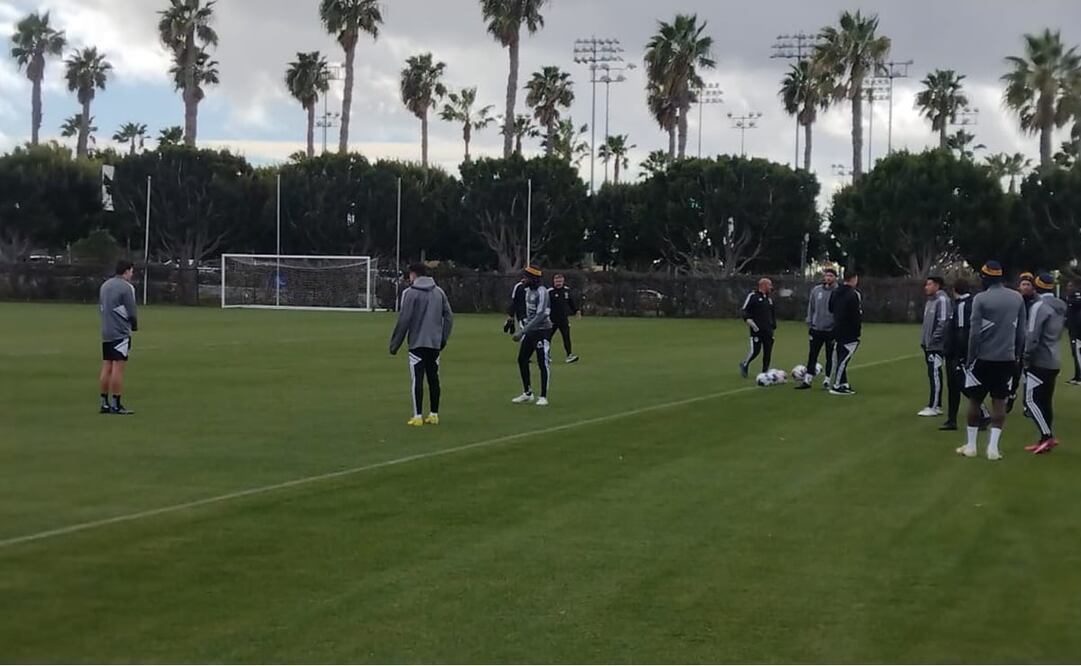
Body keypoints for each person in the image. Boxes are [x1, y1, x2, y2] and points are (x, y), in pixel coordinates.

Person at [957, 261, 1026, 461]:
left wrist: (970, 357)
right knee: (999, 401)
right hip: (1007, 358)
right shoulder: (1017, 298)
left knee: (975, 400)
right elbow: (1021, 332)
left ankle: (971, 445)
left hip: (983, 358)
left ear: (986, 278)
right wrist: (1017, 355)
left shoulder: (981, 299)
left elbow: (974, 333)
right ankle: (993, 448)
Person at [389, 263, 454, 427]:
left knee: (417, 379)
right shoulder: (439, 292)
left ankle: (417, 415)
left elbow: (404, 320)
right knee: (434, 378)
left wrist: (395, 344)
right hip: (434, 343)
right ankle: (434, 414)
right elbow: (449, 317)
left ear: (413, 274)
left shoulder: (410, 294)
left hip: (417, 343)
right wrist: (443, 338)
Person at [1022, 273, 1067, 454]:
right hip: (1054, 357)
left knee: (1030, 400)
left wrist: (1026, 356)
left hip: (1039, 359)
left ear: (1037, 287)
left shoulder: (1038, 306)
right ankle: (1044, 438)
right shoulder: (1061, 306)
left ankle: (1047, 436)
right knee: (1045, 401)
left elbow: (1032, 335)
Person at [99, 260, 139, 415]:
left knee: (106, 365)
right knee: (118, 367)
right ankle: (116, 403)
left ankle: (104, 402)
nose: (132, 274)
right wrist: (134, 326)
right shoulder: (126, 287)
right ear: (126, 271)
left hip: (106, 331)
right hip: (120, 332)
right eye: (131, 271)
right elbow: (131, 310)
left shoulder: (105, 285)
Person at [941, 278, 981, 431]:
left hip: (957, 353)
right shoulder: (966, 304)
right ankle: (951, 419)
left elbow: (962, 331)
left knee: (960, 385)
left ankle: (981, 412)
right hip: (957, 352)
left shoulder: (962, 306)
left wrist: (961, 354)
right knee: (955, 386)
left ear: (954, 290)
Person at [511, 266, 553, 406]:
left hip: (542, 331)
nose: (523, 280)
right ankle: (527, 392)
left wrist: (522, 331)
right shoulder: (527, 291)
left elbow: (541, 315)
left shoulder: (543, 292)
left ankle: (543, 396)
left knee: (542, 362)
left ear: (533, 279)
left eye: (526, 277)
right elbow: (528, 313)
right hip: (531, 331)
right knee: (522, 359)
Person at [796, 268, 836, 390]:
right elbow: (811, 307)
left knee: (830, 356)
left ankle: (827, 380)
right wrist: (809, 321)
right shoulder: (816, 290)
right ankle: (807, 380)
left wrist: (836, 326)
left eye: (830, 275)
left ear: (835, 278)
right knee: (812, 355)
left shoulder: (837, 292)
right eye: (826, 275)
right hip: (816, 328)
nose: (828, 278)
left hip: (831, 330)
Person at [918, 276, 951, 417]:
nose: (926, 287)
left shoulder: (942, 300)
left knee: (935, 373)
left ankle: (934, 405)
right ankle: (935, 404)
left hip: (936, 346)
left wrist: (933, 340)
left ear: (937, 286)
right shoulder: (930, 302)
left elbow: (943, 323)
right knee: (932, 374)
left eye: (929, 284)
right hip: (928, 345)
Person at [828, 272, 862, 396]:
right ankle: (836, 385)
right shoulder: (853, 295)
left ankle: (843, 382)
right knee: (843, 359)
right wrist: (857, 330)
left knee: (840, 356)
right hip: (849, 331)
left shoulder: (835, 292)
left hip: (837, 329)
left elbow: (830, 308)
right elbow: (855, 315)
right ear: (854, 279)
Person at [1009, 272, 1037, 413]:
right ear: (1019, 286)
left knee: (1029, 374)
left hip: (1030, 342)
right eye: (1023, 284)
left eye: (1028, 284)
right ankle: (1011, 395)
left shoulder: (1036, 302)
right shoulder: (1015, 300)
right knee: (1014, 372)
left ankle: (1028, 403)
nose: (1025, 287)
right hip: (1015, 342)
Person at [739, 277, 776, 378]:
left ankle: (765, 372)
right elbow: (744, 310)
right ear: (763, 285)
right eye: (769, 285)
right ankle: (745, 364)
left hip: (768, 330)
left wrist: (773, 325)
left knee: (768, 352)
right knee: (755, 350)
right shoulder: (753, 296)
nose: (771, 287)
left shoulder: (769, 299)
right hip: (756, 330)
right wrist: (749, 321)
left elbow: (772, 313)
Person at [547, 273, 581, 363]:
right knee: (547, 338)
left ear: (563, 281)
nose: (558, 283)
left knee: (566, 337)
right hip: (551, 319)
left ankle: (569, 355)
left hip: (563, 319)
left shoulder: (566, 291)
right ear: (554, 281)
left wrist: (576, 311)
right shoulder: (549, 292)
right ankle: (546, 355)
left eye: (560, 281)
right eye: (557, 281)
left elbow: (571, 302)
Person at [1065, 279, 1081, 385]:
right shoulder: (1070, 299)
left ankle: (1079, 377)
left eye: (1071, 286)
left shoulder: (1075, 299)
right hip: (1072, 330)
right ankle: (1077, 376)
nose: (1068, 288)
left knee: (1078, 354)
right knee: (1075, 354)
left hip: (1077, 331)